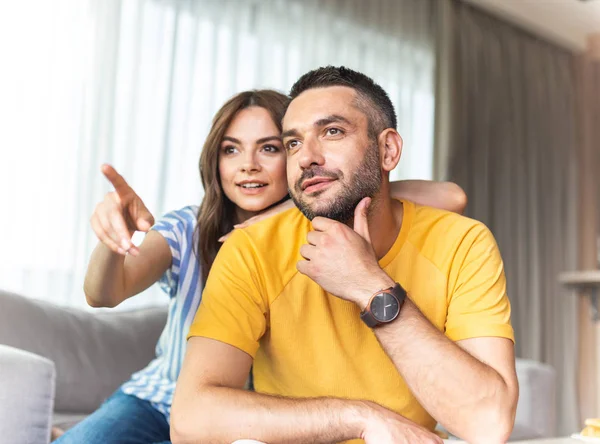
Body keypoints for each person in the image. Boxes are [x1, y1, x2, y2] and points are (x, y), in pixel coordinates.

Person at [53, 88, 467, 444]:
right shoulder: (187, 227)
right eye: (231, 149)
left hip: (258, 416)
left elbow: (450, 196)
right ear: (215, 163)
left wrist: (285, 208)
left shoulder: (319, 236)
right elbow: (103, 293)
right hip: (162, 399)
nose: (247, 164)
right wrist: (114, 241)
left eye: (269, 148)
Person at [171, 68, 518, 444]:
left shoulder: (463, 243)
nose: (306, 158)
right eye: (292, 144)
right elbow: (190, 419)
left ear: (388, 150)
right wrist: (361, 418)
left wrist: (370, 286)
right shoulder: (251, 249)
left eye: (332, 132)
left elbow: (489, 423)